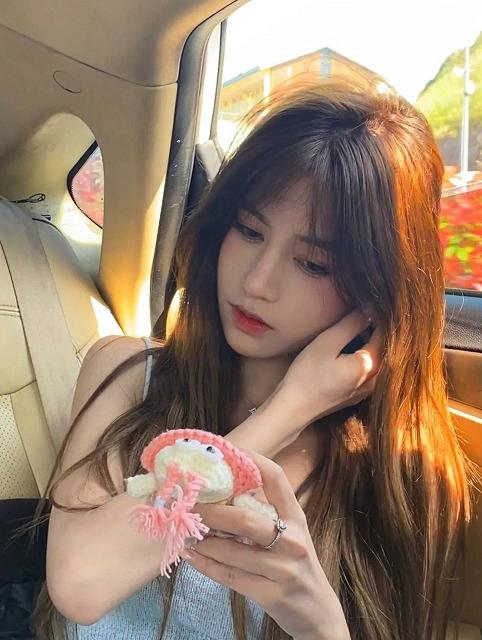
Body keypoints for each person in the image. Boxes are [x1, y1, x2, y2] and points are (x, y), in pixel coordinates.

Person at [22, 79, 475, 640]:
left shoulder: (399, 467)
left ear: (376, 293)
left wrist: (320, 624)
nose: (257, 282)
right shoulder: (131, 375)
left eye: (313, 264)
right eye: (249, 230)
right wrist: (287, 411)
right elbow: (80, 586)